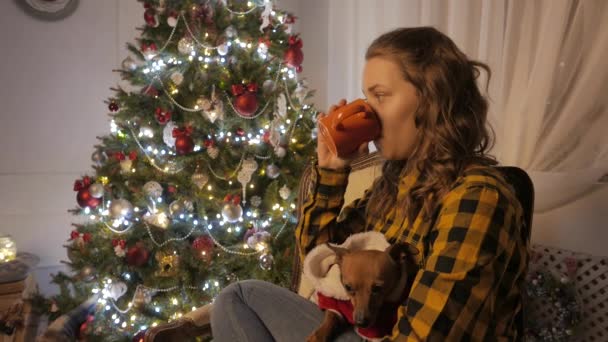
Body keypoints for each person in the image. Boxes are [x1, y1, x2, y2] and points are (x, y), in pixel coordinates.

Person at [210, 26, 528, 341]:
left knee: (241, 296)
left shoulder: (478, 197)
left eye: (380, 95)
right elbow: (319, 264)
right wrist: (331, 170)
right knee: (239, 299)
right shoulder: (393, 186)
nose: (366, 113)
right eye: (365, 97)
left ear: (431, 99)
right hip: (363, 333)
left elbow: (423, 337)